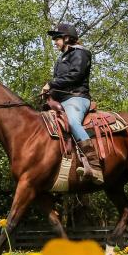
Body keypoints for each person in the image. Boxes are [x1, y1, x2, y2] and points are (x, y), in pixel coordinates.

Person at [41, 23, 103, 184]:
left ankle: (95, 167)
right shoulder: (62, 57)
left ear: (67, 38)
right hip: (61, 99)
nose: (55, 42)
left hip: (77, 98)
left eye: (57, 38)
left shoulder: (81, 53)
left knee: (73, 122)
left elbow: (75, 75)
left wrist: (51, 84)